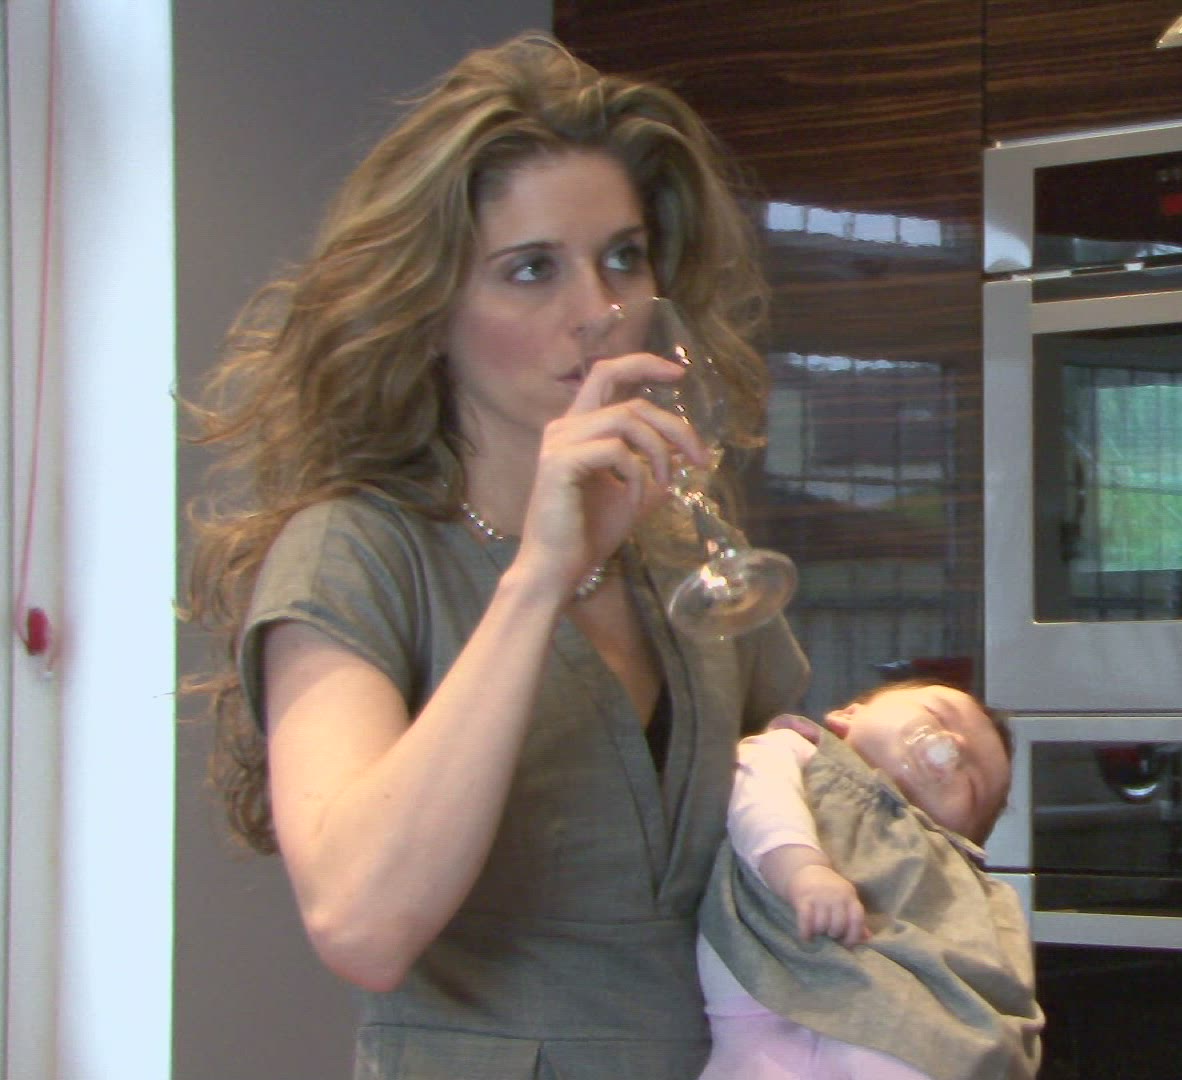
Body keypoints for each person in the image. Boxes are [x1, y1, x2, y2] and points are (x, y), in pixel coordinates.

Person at [180, 32, 810, 1079]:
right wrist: (536, 581)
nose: (598, 312)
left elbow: (790, 800)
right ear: (430, 309)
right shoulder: (354, 555)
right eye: (531, 270)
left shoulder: (681, 542)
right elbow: (361, 924)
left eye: (623, 257)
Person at [696, 679, 1044, 1080]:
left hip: (890, 1017)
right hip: (765, 987)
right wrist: (801, 869)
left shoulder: (946, 872)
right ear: (848, 716)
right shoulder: (800, 750)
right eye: (937, 715)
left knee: (944, 1046)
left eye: (973, 783)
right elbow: (760, 797)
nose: (955, 745)